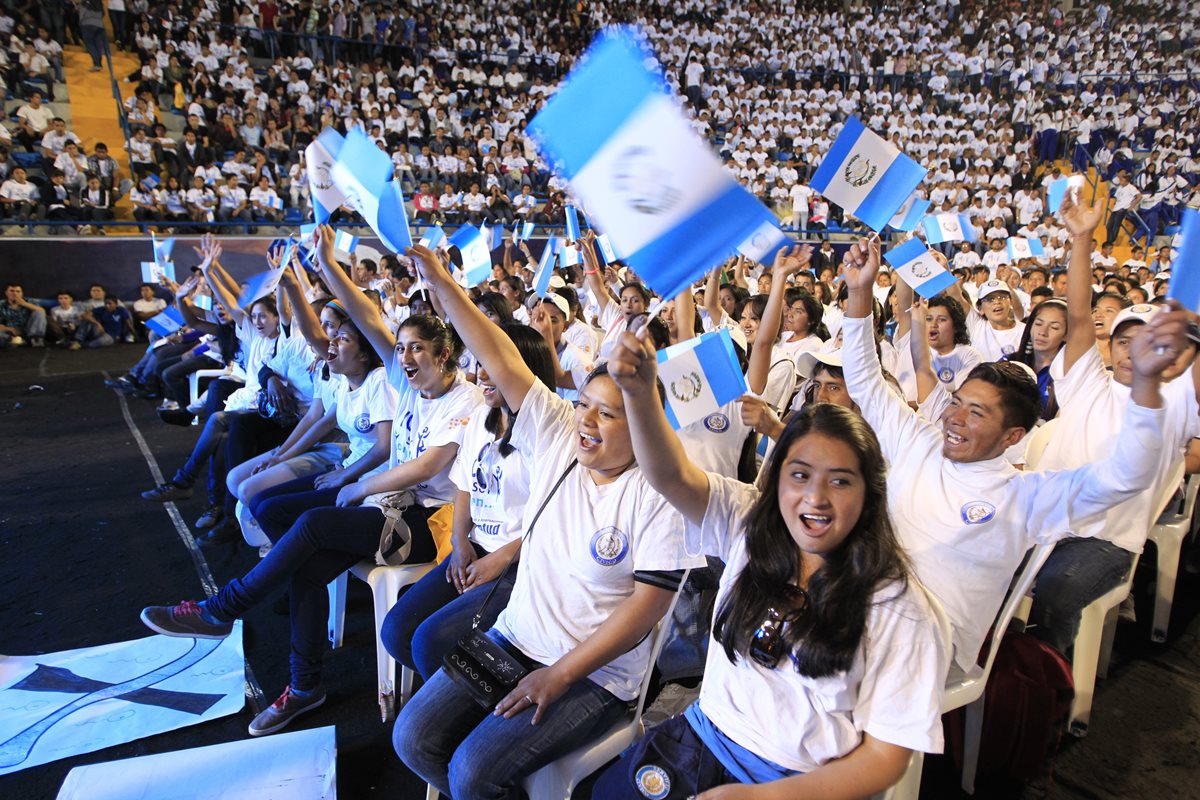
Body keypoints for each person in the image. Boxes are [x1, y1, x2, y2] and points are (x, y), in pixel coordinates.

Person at [591, 312, 950, 798]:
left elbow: (886, 757)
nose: (815, 499)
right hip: (700, 739)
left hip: (794, 781)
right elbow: (671, 476)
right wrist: (637, 394)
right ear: (777, 476)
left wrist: (762, 797)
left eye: (840, 481)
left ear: (871, 492)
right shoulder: (749, 525)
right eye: (800, 475)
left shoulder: (899, 610)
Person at [141, 226, 481, 737]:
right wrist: (325, 265)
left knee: (314, 524)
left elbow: (431, 465)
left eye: (417, 349)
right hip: (390, 506)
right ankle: (304, 687)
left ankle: (224, 607)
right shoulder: (404, 382)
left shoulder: (466, 399)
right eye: (402, 348)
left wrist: (358, 485)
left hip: (431, 521)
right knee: (303, 559)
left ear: (445, 354)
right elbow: (364, 317)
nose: (405, 358)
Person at [392, 243, 702, 799]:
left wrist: (557, 676)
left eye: (609, 413)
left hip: (593, 675)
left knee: (471, 771)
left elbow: (643, 613)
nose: (587, 420)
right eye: (585, 403)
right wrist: (442, 283)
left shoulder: (660, 492)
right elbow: (501, 355)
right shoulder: (558, 435)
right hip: (515, 636)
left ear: (645, 426)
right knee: (413, 739)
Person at [840, 235, 1183, 674]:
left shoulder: (1026, 496)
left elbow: (1127, 477)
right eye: (957, 402)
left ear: (1013, 435)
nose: (955, 419)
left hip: (927, 646)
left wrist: (1148, 386)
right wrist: (858, 292)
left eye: (977, 412)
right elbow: (866, 381)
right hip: (862, 609)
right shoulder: (919, 440)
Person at [1028, 194, 1200, 656]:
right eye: (1124, 341)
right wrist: (1081, 237)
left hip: (1106, 541)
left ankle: (1048, 684)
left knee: (1056, 590)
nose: (1134, 352)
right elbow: (1080, 314)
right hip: (1043, 518)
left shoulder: (1178, 397)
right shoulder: (1090, 382)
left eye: (1149, 342)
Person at [381, 323, 556, 681]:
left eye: (495, 366)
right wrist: (460, 543)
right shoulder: (481, 418)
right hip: (475, 549)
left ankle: (466, 708)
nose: (482, 374)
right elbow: (464, 486)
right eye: (480, 363)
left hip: (521, 562)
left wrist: (498, 561)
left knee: (431, 643)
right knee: (397, 631)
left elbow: (551, 519)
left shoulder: (547, 433)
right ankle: (456, 693)